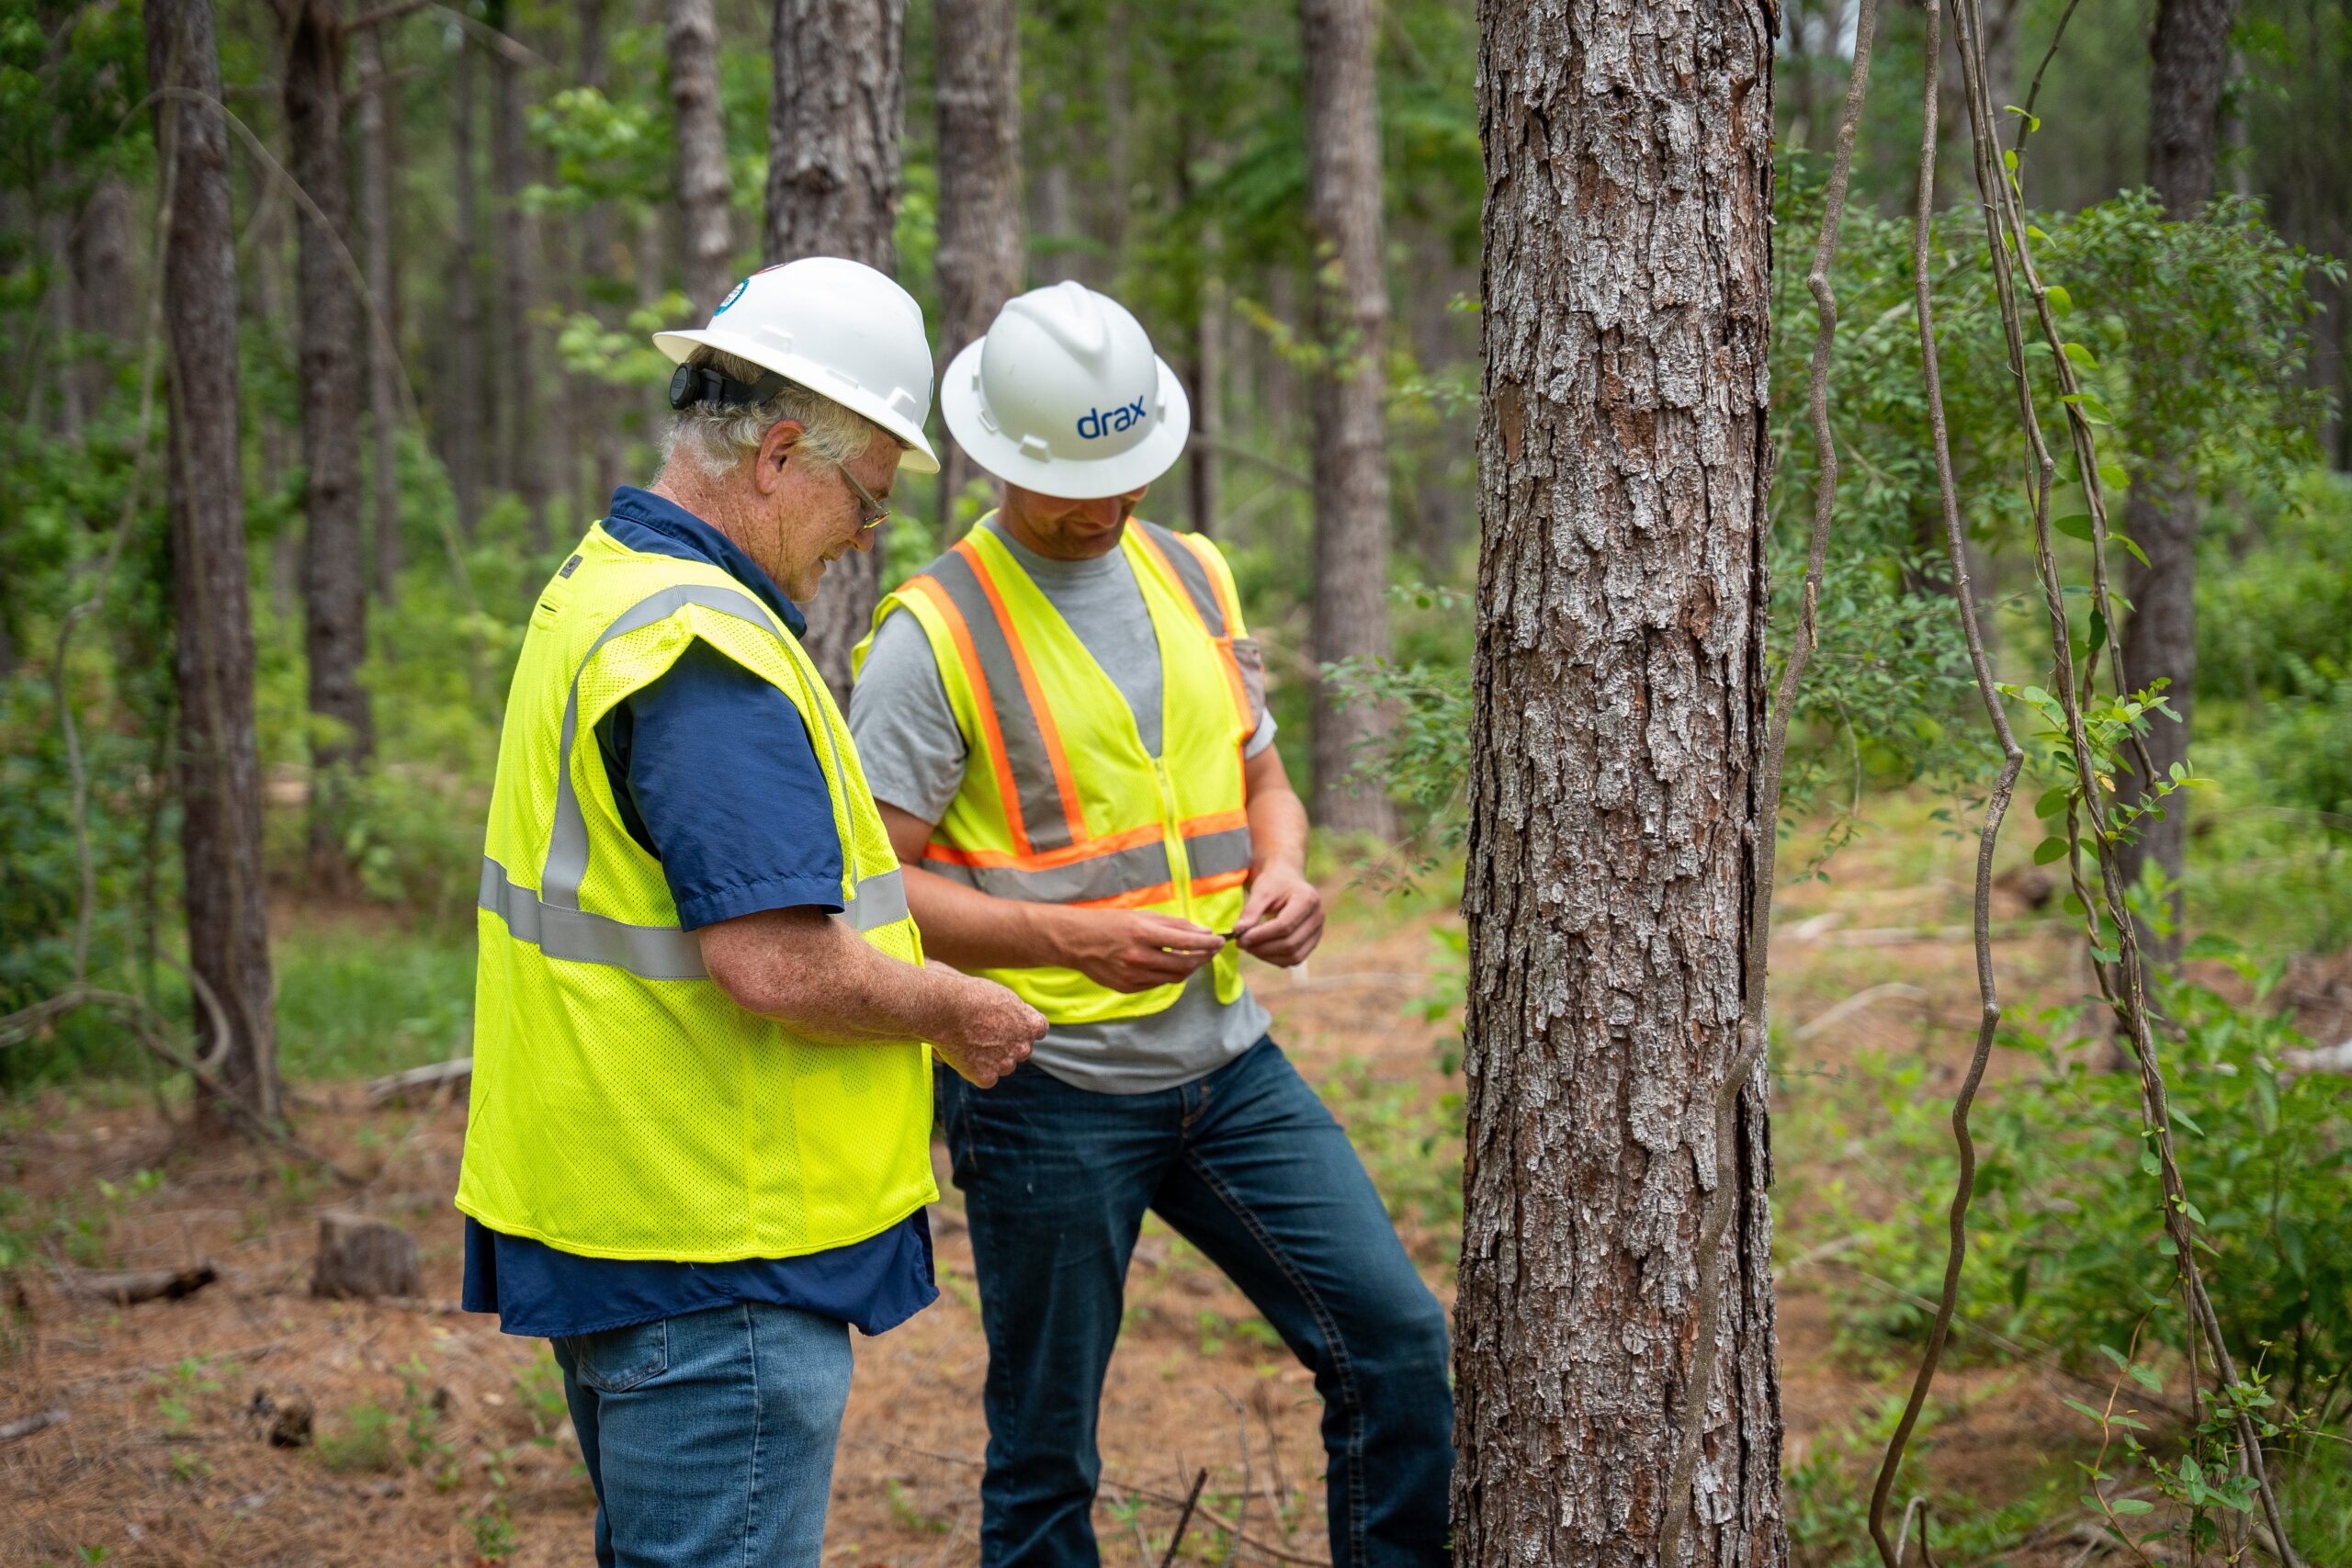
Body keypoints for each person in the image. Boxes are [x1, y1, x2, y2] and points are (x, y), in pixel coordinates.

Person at [455, 256, 1047, 1568]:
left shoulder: (604, 585)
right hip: (713, 1255)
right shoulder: (703, 650)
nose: (866, 533)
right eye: (866, 496)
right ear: (781, 452)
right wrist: (954, 1006)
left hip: (631, 1223)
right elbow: (776, 963)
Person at [849, 280, 1453, 1568]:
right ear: (1001, 455)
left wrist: (1286, 875)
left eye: (1130, 468)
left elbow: (1263, 780)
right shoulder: (930, 634)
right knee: (1045, 1456)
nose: (1110, 502)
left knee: (1397, 1346)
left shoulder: (1194, 572)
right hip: (1047, 1090)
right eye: (1079, 478)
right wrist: (1068, 945)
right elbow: (871, 887)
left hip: (1231, 1072)